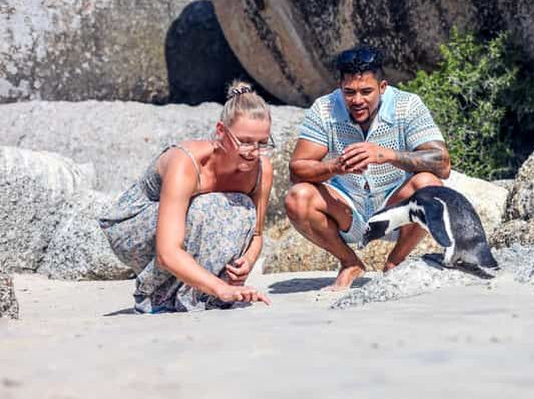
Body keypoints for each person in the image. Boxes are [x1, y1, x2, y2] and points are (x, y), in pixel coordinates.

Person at [285, 46, 451, 290]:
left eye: (366, 91)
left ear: (382, 87)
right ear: (340, 87)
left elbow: (442, 164)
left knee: (430, 186)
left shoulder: (407, 105)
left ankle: (395, 261)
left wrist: (385, 155)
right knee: (297, 198)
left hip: (395, 209)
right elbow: (296, 171)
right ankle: (350, 263)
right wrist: (335, 167)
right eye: (349, 92)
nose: (357, 100)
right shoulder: (324, 108)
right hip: (346, 209)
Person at [99, 81, 274, 313]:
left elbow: (257, 233)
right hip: (134, 227)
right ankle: (160, 297)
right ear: (221, 131)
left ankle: (205, 296)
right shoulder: (187, 162)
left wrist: (249, 261)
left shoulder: (262, 169)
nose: (253, 152)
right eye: (244, 141)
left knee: (242, 208)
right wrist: (220, 287)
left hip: (187, 223)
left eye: (262, 143)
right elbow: (167, 252)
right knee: (208, 206)